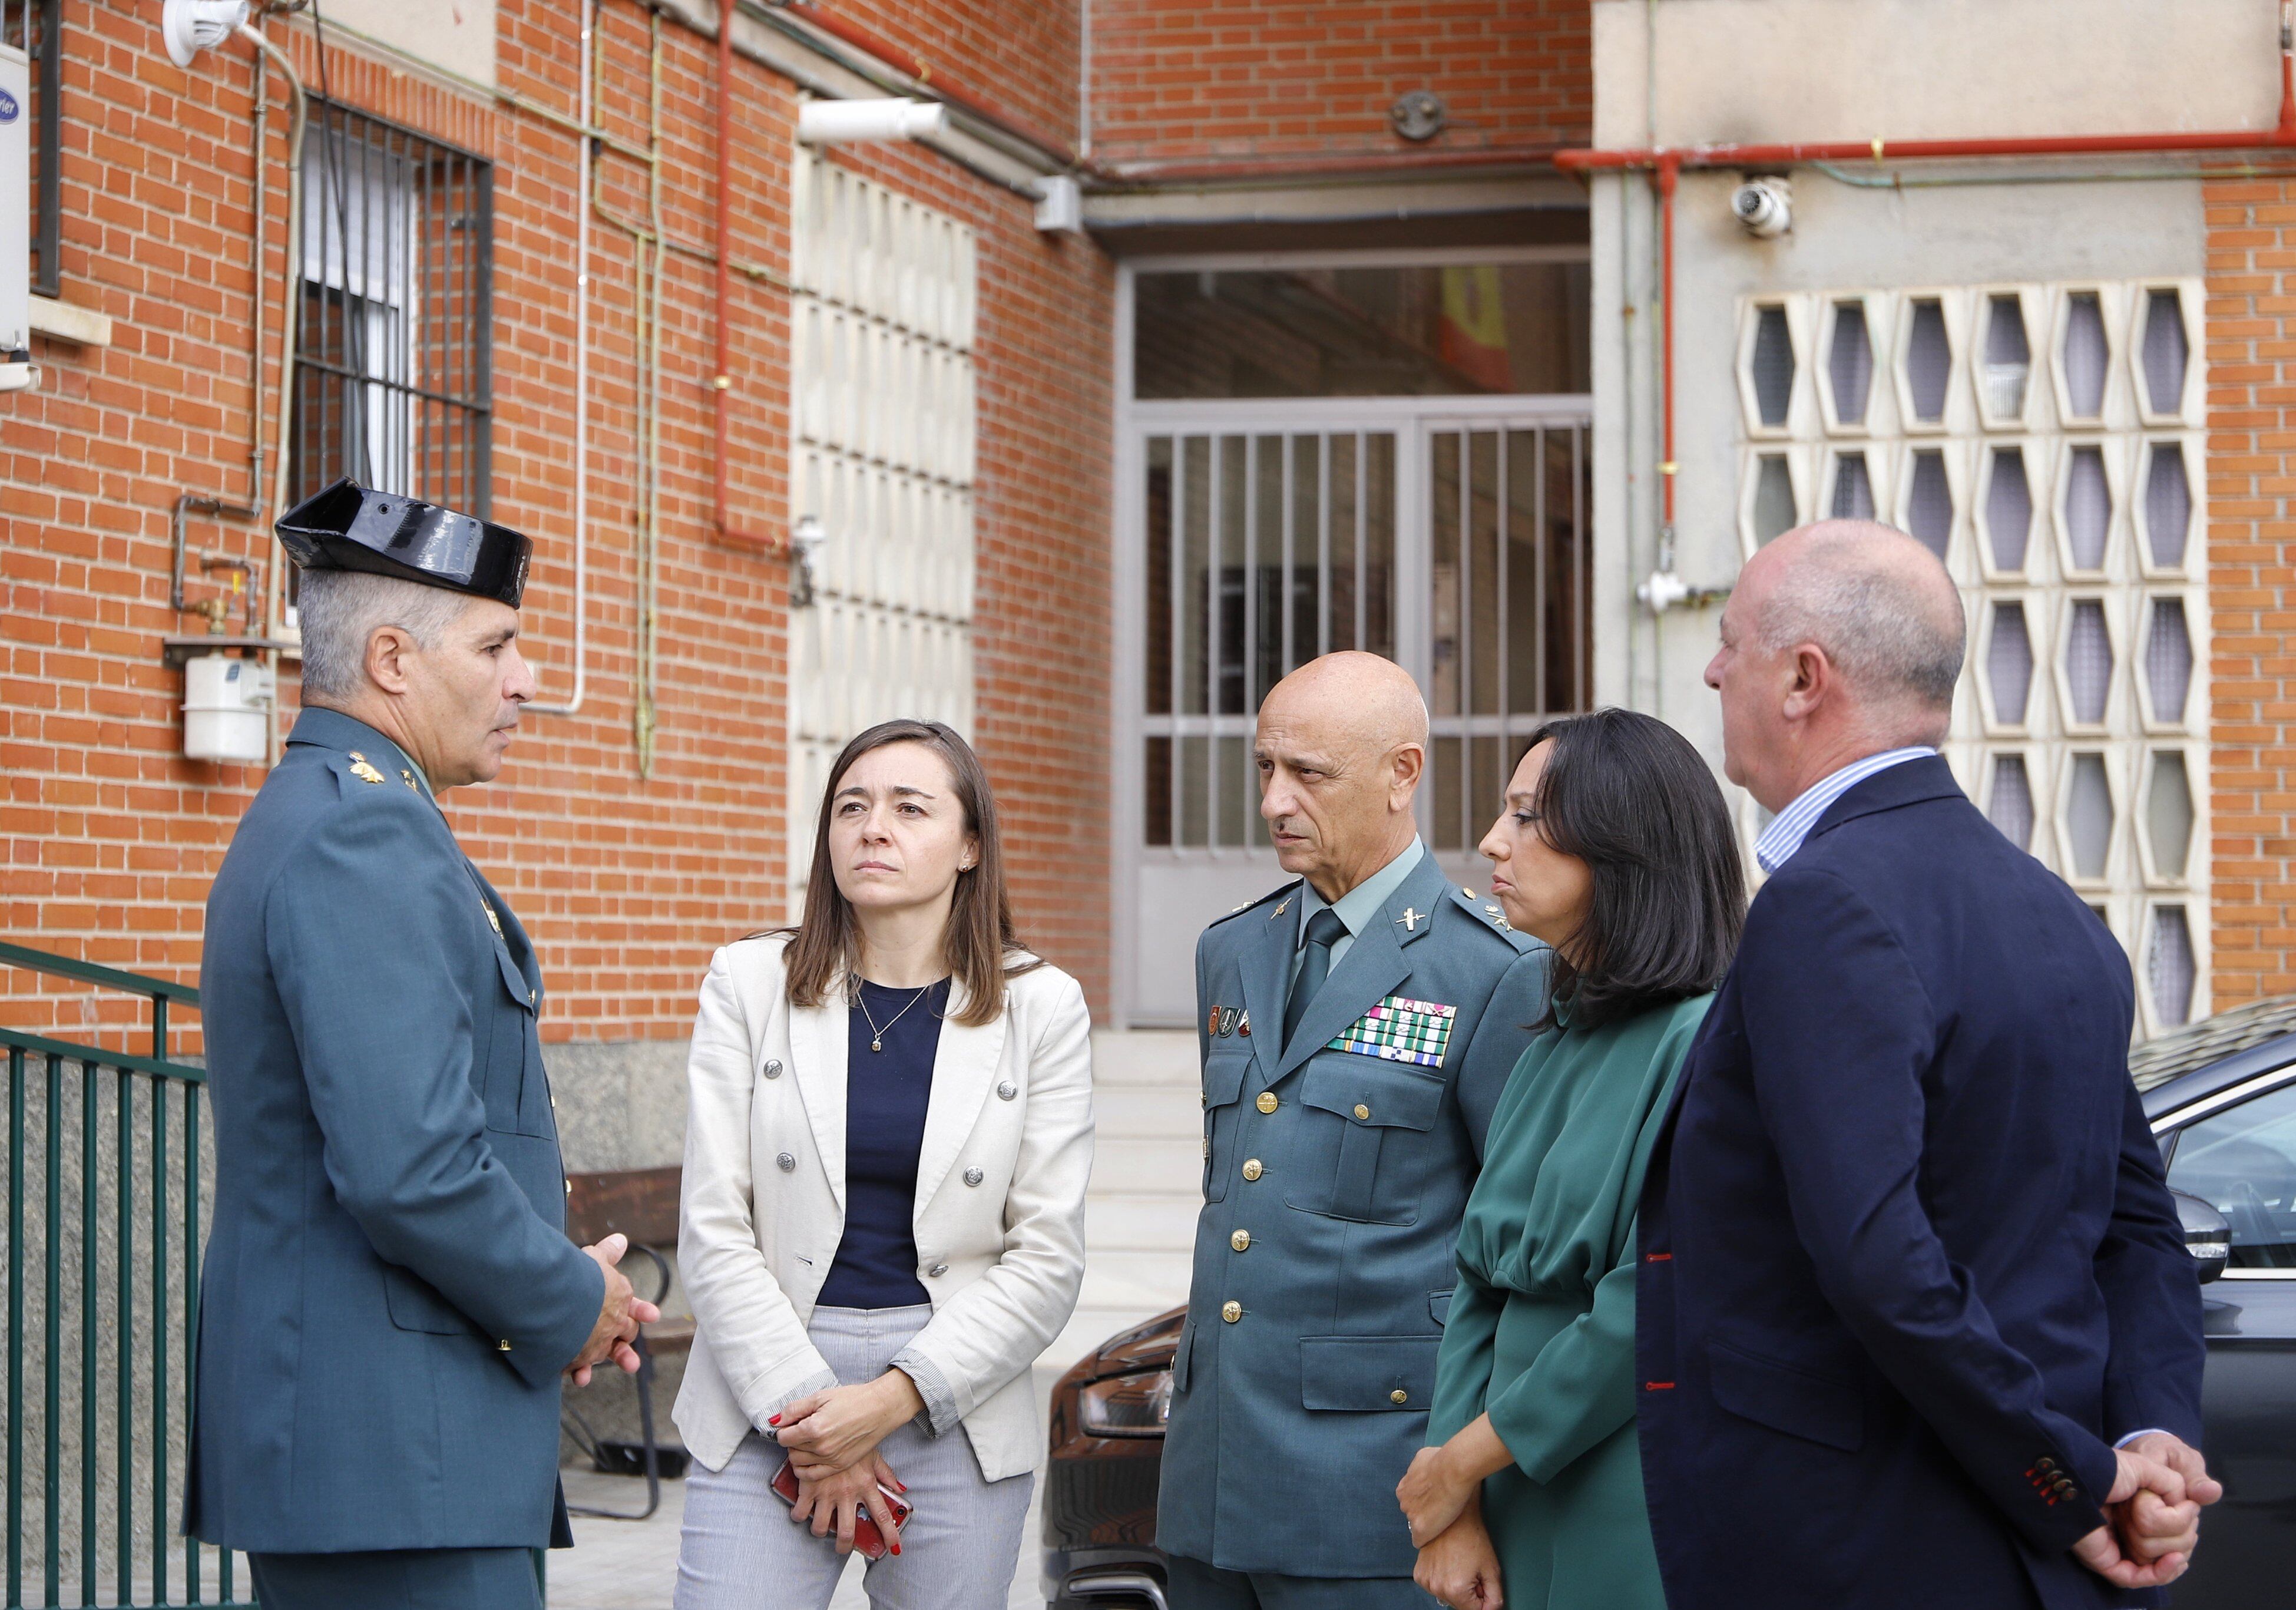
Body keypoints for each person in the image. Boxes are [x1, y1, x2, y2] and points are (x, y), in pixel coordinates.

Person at [1632, 518, 2221, 1609]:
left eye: (1729, 643)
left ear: (1805, 677)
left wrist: (2075, 1480)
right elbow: (2138, 1227)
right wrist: (2154, 1436)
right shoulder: (2058, 914)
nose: (1712, 669)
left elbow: (1878, 1259)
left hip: (1878, 1544)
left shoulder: (1827, 902)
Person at [190, 478, 658, 1610]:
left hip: (388, 1455)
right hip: (395, 1454)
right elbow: (414, 1165)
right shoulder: (364, 830)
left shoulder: (341, 809)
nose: (526, 679)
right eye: (497, 645)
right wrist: (570, 1298)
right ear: (393, 659)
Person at [1157, 650, 1551, 1610]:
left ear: (1402, 773)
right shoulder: (1231, 948)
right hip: (1214, 1482)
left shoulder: (1492, 972)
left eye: (1310, 775)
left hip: (1375, 1491)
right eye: (1265, 769)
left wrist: (1461, 1482)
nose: (1274, 802)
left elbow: (1513, 1264)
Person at [671, 718, 1094, 1609]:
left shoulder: (1041, 1006)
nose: (874, 827)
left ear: (970, 843)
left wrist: (892, 1400)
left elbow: (1047, 1256)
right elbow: (714, 1224)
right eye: (852, 806)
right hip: (768, 1379)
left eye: (911, 807)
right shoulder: (749, 983)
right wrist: (816, 1418)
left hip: (954, 1392)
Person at [1397, 709, 1746, 1610]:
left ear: (1622, 845)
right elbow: (1478, 1278)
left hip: (1623, 1488)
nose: (1490, 842)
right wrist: (1453, 1499)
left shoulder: (1706, 1041)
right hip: (1502, 1483)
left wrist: (1461, 1460)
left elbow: (1648, 1302)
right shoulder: (1554, 1032)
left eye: (1524, 816)